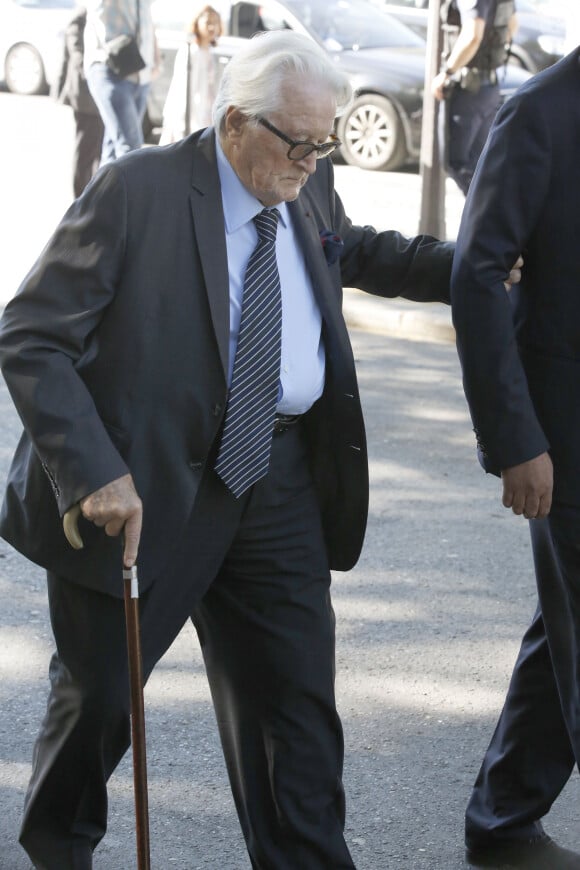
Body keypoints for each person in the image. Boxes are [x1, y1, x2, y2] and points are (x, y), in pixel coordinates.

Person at [0, 27, 463, 869]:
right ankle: (58, 851)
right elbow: (30, 335)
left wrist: (476, 267)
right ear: (236, 121)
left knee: (296, 709)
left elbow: (352, 250)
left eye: (325, 145)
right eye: (299, 143)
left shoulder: (302, 188)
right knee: (98, 702)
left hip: (276, 478)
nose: (313, 163)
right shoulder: (137, 190)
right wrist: (93, 470)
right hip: (146, 487)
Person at [451, 46, 580, 870]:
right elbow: (477, 273)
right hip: (564, 443)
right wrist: (516, 441)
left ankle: (501, 823)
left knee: (563, 625)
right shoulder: (539, 111)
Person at [431, 0, 517, 196]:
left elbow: (472, 36)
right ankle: (490, 216)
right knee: (480, 164)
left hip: (469, 90)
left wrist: (447, 72)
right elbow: (513, 25)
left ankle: (488, 218)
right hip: (489, 86)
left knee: (459, 162)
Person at [83, 0, 158, 163]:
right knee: (130, 149)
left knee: (113, 150)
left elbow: (148, 19)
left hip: (141, 73)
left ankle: (102, 189)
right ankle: (128, 189)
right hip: (109, 69)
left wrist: (156, 59)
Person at [52, 6, 105, 198]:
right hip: (86, 98)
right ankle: (80, 197)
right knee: (86, 150)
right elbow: (77, 55)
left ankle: (89, 194)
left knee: (97, 149)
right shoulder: (82, 15)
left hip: (95, 97)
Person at [159, 4, 223, 144]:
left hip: (205, 115)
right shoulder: (191, 51)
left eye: (215, 23)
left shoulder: (209, 53)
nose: (212, 27)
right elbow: (183, 91)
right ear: (197, 24)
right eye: (208, 23)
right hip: (190, 118)